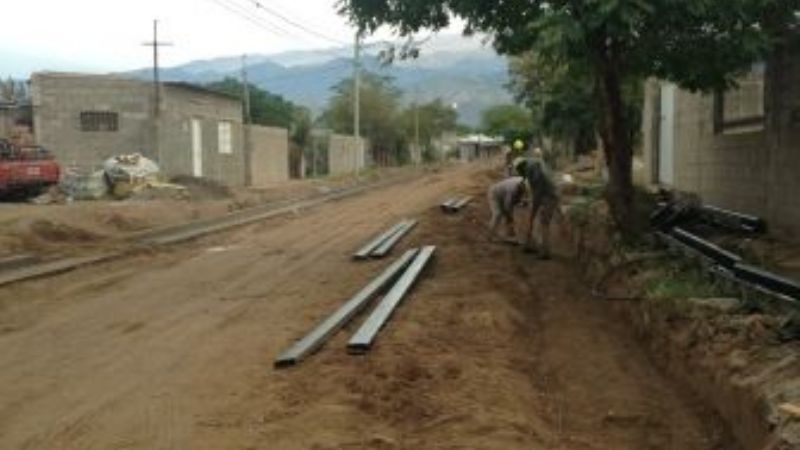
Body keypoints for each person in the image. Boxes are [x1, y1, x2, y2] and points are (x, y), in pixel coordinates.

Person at [514, 154, 560, 259]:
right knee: (537, 223)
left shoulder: (535, 172)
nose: (521, 174)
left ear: (522, 166)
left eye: (520, 170)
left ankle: (545, 252)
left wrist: (533, 211)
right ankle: (533, 245)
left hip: (550, 198)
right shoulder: (533, 168)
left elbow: (537, 194)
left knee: (543, 223)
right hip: (547, 196)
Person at [487, 176, 527, 243]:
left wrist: (521, 202)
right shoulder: (512, 188)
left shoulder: (523, 183)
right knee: (498, 214)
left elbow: (516, 199)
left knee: (508, 216)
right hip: (494, 194)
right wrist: (510, 218)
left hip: (503, 195)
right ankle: (490, 235)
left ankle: (509, 234)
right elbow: (507, 206)